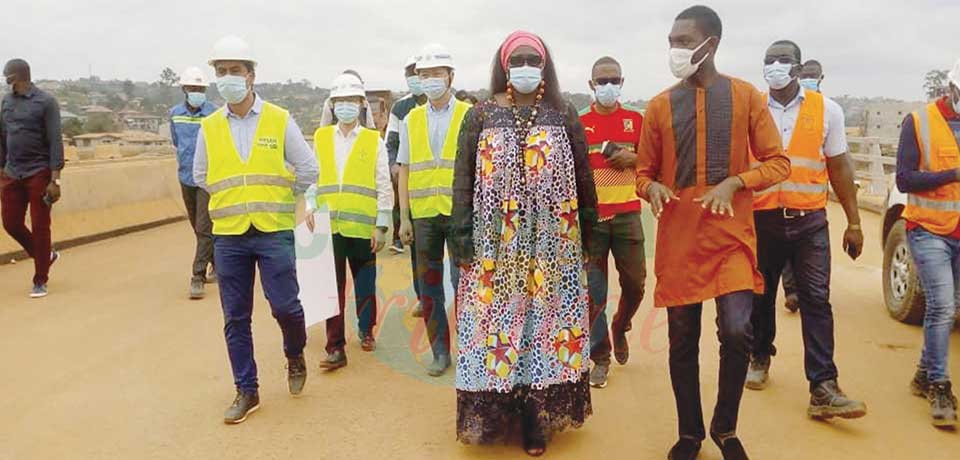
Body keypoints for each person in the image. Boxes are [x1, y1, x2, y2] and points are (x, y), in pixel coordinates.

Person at [635, 7, 791, 460]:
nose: (675, 50)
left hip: (731, 237)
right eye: (672, 41)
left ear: (712, 44)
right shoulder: (660, 105)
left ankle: (725, 427)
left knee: (738, 329)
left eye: (684, 41)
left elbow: (778, 162)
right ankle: (690, 433)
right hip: (680, 238)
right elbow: (641, 174)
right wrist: (654, 188)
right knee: (682, 337)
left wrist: (736, 181)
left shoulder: (746, 97)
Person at [451, 30, 596, 457]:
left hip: (554, 245)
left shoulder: (563, 113)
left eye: (534, 60)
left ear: (545, 65)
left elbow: (585, 176)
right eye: (519, 60)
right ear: (504, 65)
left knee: (545, 328)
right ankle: (498, 411)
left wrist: (589, 231)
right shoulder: (479, 115)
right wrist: (461, 239)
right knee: (496, 326)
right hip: (495, 249)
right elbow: (462, 181)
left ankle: (535, 417)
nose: (526, 68)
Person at [193, 35, 318, 424]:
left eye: (234, 70)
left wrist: (283, 196)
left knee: (285, 306)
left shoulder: (279, 120)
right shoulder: (210, 126)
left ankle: (294, 352)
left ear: (251, 75)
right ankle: (246, 390)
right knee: (235, 316)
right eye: (221, 71)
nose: (227, 77)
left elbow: (309, 169)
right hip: (229, 235)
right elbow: (201, 174)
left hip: (273, 231)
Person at [745, 40, 867, 423]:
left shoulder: (826, 109)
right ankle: (760, 354)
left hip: (810, 220)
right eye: (769, 60)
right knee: (760, 296)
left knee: (816, 299)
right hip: (762, 219)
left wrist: (855, 221)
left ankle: (823, 386)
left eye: (784, 60)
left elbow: (840, 167)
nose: (775, 66)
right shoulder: (752, 109)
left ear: (798, 69)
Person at [304, 73, 393, 370]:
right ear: (332, 105)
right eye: (340, 101)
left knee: (365, 282)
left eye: (351, 101)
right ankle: (335, 347)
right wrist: (310, 205)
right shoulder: (321, 137)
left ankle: (366, 329)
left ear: (361, 104)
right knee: (332, 288)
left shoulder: (373, 140)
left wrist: (381, 225)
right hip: (330, 224)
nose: (346, 106)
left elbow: (383, 184)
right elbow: (313, 178)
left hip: (363, 226)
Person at [397, 43, 471, 376]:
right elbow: (404, 169)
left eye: (435, 74)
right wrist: (404, 218)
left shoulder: (469, 114)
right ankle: (440, 352)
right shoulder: (410, 119)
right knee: (429, 285)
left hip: (459, 213)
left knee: (464, 283)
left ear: (450, 76)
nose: (429, 80)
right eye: (423, 75)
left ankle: (470, 348)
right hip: (424, 214)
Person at [894, 58, 960, 428]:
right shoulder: (918, 122)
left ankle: (922, 375)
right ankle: (939, 385)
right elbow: (904, 179)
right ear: (951, 89)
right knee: (942, 307)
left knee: (954, 304)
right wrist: (953, 174)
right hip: (929, 228)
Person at [578, 56, 646, 389]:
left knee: (636, 284)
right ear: (591, 85)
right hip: (593, 221)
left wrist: (636, 158)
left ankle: (621, 325)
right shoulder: (579, 123)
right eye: (601, 80)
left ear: (622, 83)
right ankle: (600, 357)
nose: (608, 86)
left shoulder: (636, 120)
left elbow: (655, 161)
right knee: (594, 293)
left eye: (614, 80)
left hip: (628, 215)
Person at [0, 59, 63, 298]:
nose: (7, 84)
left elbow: (55, 140)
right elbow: (2, 136)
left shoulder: (46, 102)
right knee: (10, 223)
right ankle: (45, 256)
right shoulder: (6, 102)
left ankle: (40, 279)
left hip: (39, 172)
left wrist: (55, 179)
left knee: (40, 226)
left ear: (21, 78)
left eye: (9, 79)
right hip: (12, 172)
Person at [778, 58, 827, 313]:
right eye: (805, 73)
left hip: (812, 205)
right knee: (785, 256)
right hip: (777, 201)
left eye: (813, 74)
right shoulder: (775, 108)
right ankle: (792, 291)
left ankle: (807, 291)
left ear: (821, 77)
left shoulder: (827, 110)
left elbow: (837, 160)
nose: (809, 77)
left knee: (814, 281)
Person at [169, 66, 218, 299]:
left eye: (200, 88)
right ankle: (217, 263)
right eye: (193, 88)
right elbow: (177, 142)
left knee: (204, 227)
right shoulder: (175, 113)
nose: (197, 92)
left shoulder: (215, 114)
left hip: (207, 179)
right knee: (197, 228)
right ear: (184, 90)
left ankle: (197, 276)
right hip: (185, 176)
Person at [385, 55, 427, 316]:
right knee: (419, 249)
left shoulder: (456, 107)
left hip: (445, 189)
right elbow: (392, 143)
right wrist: (394, 166)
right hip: (412, 185)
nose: (414, 79)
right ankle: (424, 297)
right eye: (409, 74)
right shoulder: (401, 109)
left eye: (417, 73)